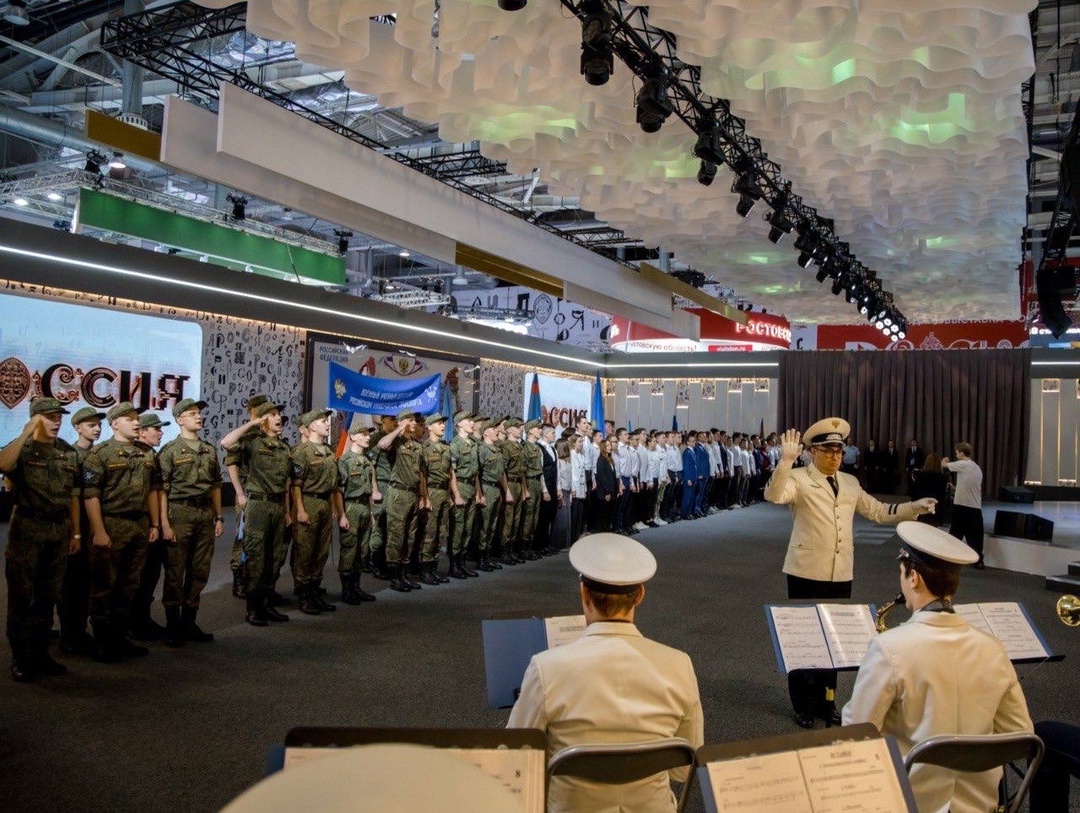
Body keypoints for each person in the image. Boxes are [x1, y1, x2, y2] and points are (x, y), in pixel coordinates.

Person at [842, 521, 1033, 813]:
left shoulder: (889, 648)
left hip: (909, 804)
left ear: (914, 577)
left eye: (902, 575)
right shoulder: (993, 649)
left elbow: (856, 734)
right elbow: (1020, 735)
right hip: (980, 807)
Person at [507, 532, 704, 813]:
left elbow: (517, 760)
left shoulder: (546, 667)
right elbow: (683, 770)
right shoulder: (680, 665)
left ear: (584, 593)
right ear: (640, 596)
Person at [765, 418, 936, 729]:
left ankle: (827, 701)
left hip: (840, 572)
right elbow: (775, 495)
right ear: (813, 452)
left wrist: (915, 508)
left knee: (834, 640)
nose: (835, 457)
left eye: (839, 452)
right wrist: (786, 461)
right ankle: (802, 703)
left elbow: (879, 511)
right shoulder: (800, 478)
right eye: (828, 451)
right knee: (805, 640)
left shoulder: (850, 483)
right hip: (806, 570)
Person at [0, 398, 81, 682]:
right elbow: (3, 463)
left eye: (58, 416)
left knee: (48, 596)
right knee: (22, 596)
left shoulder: (67, 453)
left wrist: (76, 532)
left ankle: (40, 654)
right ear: (35, 419)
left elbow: (73, 496)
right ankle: (20, 657)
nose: (56, 421)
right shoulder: (22, 449)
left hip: (58, 531)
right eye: (49, 417)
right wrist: (25, 433)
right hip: (28, 529)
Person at [82, 401, 161, 661]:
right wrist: (99, 531)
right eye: (129, 418)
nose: (136, 422)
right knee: (105, 584)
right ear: (115, 424)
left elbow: (151, 490)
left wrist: (154, 523)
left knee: (130, 584)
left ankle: (120, 636)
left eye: (137, 418)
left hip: (138, 524)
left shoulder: (146, 453)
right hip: (111, 524)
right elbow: (91, 495)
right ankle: (103, 641)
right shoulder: (101, 453)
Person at [157, 399, 223, 646]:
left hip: (204, 514)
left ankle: (189, 621)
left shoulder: (209, 450)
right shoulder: (170, 451)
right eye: (192, 413)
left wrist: (218, 516)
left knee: (199, 571)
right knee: (175, 571)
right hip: (179, 513)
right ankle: (173, 624)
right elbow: (162, 490)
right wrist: (164, 523)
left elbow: (216, 485)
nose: (199, 417)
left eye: (199, 413)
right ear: (179, 419)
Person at [220, 401, 292, 628]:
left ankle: (267, 603)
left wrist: (288, 511)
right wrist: (252, 424)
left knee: (274, 557)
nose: (278, 417)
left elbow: (288, 483)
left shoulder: (283, 447)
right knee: (257, 556)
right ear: (263, 420)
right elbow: (226, 442)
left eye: (278, 413)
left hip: (278, 506)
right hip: (258, 505)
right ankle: (253, 608)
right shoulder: (252, 442)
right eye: (272, 414)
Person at [58, 405, 104, 657]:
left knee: (88, 581)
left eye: (98, 425)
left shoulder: (100, 454)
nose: (96, 429)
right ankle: (68, 634)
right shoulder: (70, 455)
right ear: (77, 428)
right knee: (70, 583)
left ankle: (79, 630)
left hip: (93, 525)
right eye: (90, 425)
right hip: (76, 525)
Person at [291, 409, 347, 614]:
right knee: (305, 551)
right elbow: (296, 484)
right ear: (312, 426)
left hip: (324, 504)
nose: (327, 423)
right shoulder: (302, 451)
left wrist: (334, 508)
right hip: (309, 502)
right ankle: (305, 596)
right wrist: (300, 510)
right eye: (323, 421)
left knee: (321, 551)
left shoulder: (329, 451)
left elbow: (334, 485)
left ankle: (315, 592)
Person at [130, 412, 171, 641]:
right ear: (142, 431)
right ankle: (134, 622)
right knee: (137, 576)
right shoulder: (137, 455)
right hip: (139, 524)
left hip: (151, 524)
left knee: (149, 575)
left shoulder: (152, 455)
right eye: (156, 428)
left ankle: (141, 619)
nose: (160, 432)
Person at [336, 419, 379, 603]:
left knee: (362, 550)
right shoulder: (345, 461)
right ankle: (346, 590)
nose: (367, 437)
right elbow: (339, 490)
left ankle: (356, 586)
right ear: (352, 437)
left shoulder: (367, 461)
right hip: (351, 506)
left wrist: (370, 514)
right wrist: (342, 515)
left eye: (368, 434)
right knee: (349, 549)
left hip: (363, 507)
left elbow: (369, 488)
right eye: (363, 434)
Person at [418, 413, 452, 585]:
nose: (443, 426)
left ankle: (434, 568)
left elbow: (450, 473)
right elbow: (422, 475)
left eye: (443, 423)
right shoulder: (424, 448)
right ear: (429, 426)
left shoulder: (446, 448)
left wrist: (452, 495)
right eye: (439, 423)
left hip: (444, 493)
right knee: (429, 532)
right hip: (431, 492)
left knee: (441, 532)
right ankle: (425, 570)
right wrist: (424, 497)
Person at [943, 442, 985, 569]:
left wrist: (944, 459)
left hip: (961, 507)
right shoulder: (977, 468)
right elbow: (969, 488)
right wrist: (954, 488)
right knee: (976, 537)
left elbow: (943, 465)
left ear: (962, 453)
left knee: (955, 534)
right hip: (975, 508)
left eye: (957, 452)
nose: (956, 455)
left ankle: (949, 559)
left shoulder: (962, 464)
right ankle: (978, 561)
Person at [910, 452, 948, 527]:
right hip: (935, 511)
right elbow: (942, 495)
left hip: (921, 509)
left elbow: (913, 494)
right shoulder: (942, 478)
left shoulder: (920, 476)